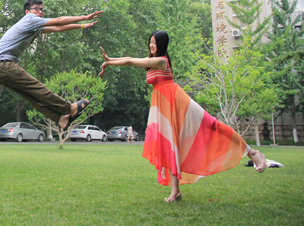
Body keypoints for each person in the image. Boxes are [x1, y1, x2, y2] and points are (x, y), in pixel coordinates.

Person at [98, 30, 267, 202]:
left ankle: (252, 153)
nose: (151, 45)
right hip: (163, 106)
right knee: (171, 144)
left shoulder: (161, 61)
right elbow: (130, 60)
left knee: (213, 125)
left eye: (154, 42)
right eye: (150, 42)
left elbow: (130, 61)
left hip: (177, 101)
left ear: (161, 45)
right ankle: (176, 191)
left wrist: (110, 61)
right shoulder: (152, 62)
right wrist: (110, 61)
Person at [0, 0, 102, 130]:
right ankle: (70, 108)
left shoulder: (33, 26)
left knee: (32, 96)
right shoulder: (30, 19)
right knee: (37, 88)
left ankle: (60, 119)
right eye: (36, 9)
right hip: (3, 64)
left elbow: (57, 28)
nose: (40, 12)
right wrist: (84, 17)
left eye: (42, 9)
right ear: (27, 11)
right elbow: (59, 21)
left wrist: (81, 26)